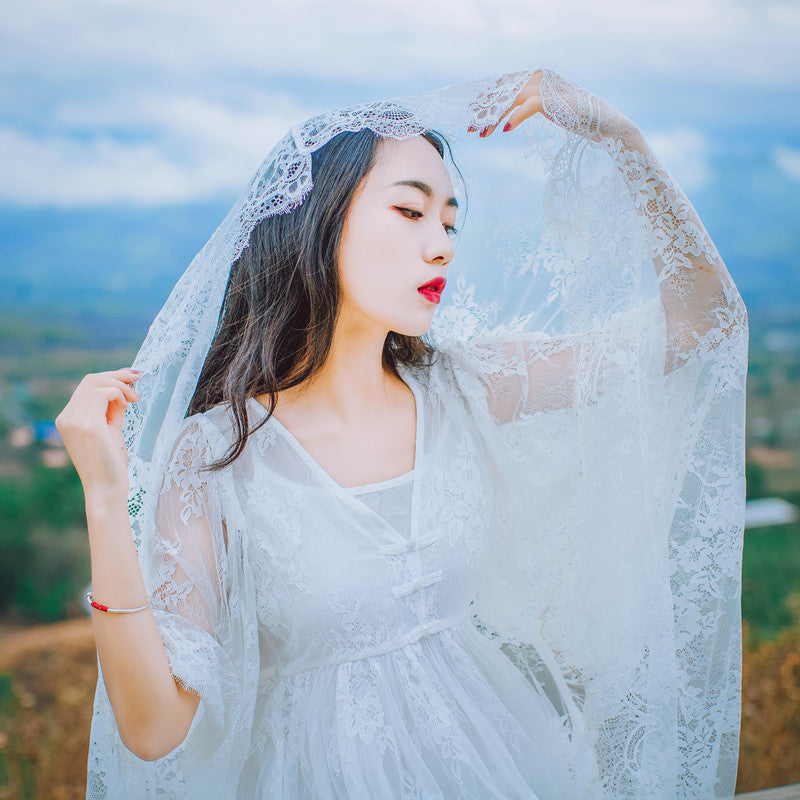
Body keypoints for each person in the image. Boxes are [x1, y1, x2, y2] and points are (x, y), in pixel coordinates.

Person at [56, 68, 748, 799]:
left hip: (502, 766)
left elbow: (701, 321)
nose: (443, 245)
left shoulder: (465, 389)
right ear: (320, 220)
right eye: (411, 212)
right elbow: (155, 727)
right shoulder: (217, 454)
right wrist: (106, 497)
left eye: (451, 221)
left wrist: (624, 140)